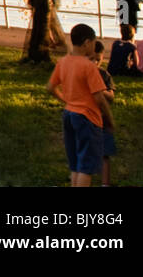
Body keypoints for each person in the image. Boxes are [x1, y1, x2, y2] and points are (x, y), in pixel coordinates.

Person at [47, 23, 114, 187]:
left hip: (69, 115)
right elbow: (99, 98)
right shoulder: (89, 67)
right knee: (86, 166)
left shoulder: (63, 62)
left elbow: (50, 87)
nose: (93, 45)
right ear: (86, 43)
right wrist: (109, 120)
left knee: (76, 163)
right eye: (93, 42)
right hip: (88, 118)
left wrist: (67, 101)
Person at [89, 39, 117, 187]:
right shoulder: (81, 74)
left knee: (105, 153)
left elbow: (111, 96)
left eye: (97, 60)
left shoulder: (104, 75)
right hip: (85, 118)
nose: (94, 63)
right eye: (91, 59)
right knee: (82, 152)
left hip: (102, 119)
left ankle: (105, 183)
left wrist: (101, 91)